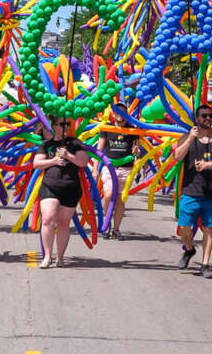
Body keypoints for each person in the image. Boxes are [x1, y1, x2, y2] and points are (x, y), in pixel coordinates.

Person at [171, 105, 212, 279]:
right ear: (196, 119)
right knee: (184, 227)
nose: (207, 118)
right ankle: (189, 250)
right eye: (203, 115)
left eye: (210, 115)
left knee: (209, 229)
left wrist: (208, 165)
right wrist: (190, 138)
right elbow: (177, 157)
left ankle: (205, 265)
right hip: (190, 191)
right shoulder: (186, 137)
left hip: (211, 193)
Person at [32, 116, 90, 268]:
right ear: (53, 126)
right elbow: (37, 163)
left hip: (70, 187)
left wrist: (68, 155)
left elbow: (83, 162)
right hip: (50, 185)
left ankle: (60, 257)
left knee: (63, 224)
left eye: (67, 124)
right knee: (47, 219)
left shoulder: (75, 143)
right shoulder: (46, 144)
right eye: (61, 124)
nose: (64, 127)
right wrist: (53, 161)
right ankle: (47, 256)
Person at [97, 102, 139, 240]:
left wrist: (137, 152)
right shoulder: (107, 128)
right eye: (117, 112)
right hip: (109, 168)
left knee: (120, 200)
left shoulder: (132, 129)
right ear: (113, 114)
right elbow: (99, 149)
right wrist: (95, 169)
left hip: (126, 169)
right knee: (108, 195)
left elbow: (137, 150)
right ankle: (107, 222)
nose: (120, 115)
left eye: (123, 112)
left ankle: (116, 229)